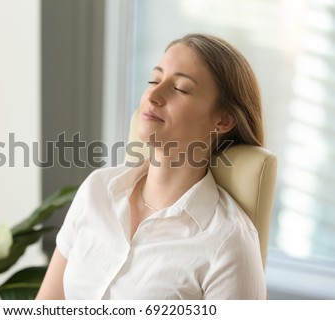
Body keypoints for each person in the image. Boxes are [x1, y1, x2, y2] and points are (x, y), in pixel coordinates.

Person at [36, 33, 266, 300]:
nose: (153, 95)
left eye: (179, 88)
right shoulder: (98, 189)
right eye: (154, 80)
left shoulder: (229, 242)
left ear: (222, 120)